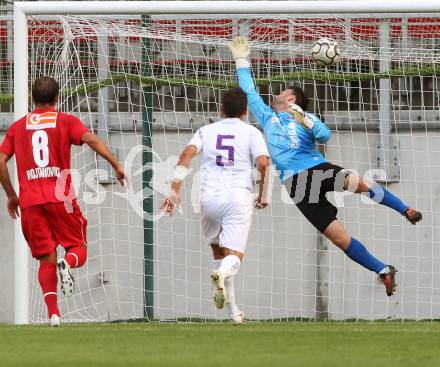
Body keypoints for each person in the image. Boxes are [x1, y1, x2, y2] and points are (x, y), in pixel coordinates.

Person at [228, 36, 422, 296]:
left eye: (283, 92)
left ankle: (404, 209)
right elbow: (249, 92)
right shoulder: (268, 117)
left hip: (314, 170)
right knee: (338, 238)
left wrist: (305, 120)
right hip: (295, 185)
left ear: (293, 98)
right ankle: (383, 270)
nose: (276, 94)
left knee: (356, 184)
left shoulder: (304, 117)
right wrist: (241, 60)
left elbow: (324, 135)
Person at [0, 76, 127, 326]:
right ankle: (67, 263)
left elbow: (1, 161)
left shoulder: (17, 127)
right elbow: (91, 139)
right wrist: (116, 164)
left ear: (33, 98)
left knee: (45, 258)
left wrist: (12, 196)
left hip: (31, 203)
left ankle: (54, 315)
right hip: (61, 199)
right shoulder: (65, 121)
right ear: (58, 97)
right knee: (78, 247)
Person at [161, 87, 270, 323]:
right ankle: (220, 274)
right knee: (234, 257)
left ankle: (233, 313)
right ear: (245, 110)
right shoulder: (252, 132)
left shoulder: (206, 130)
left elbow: (185, 155)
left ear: (221, 109)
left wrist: (174, 190)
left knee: (219, 251)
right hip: (237, 197)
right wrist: (263, 193)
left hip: (208, 198)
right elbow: (263, 163)